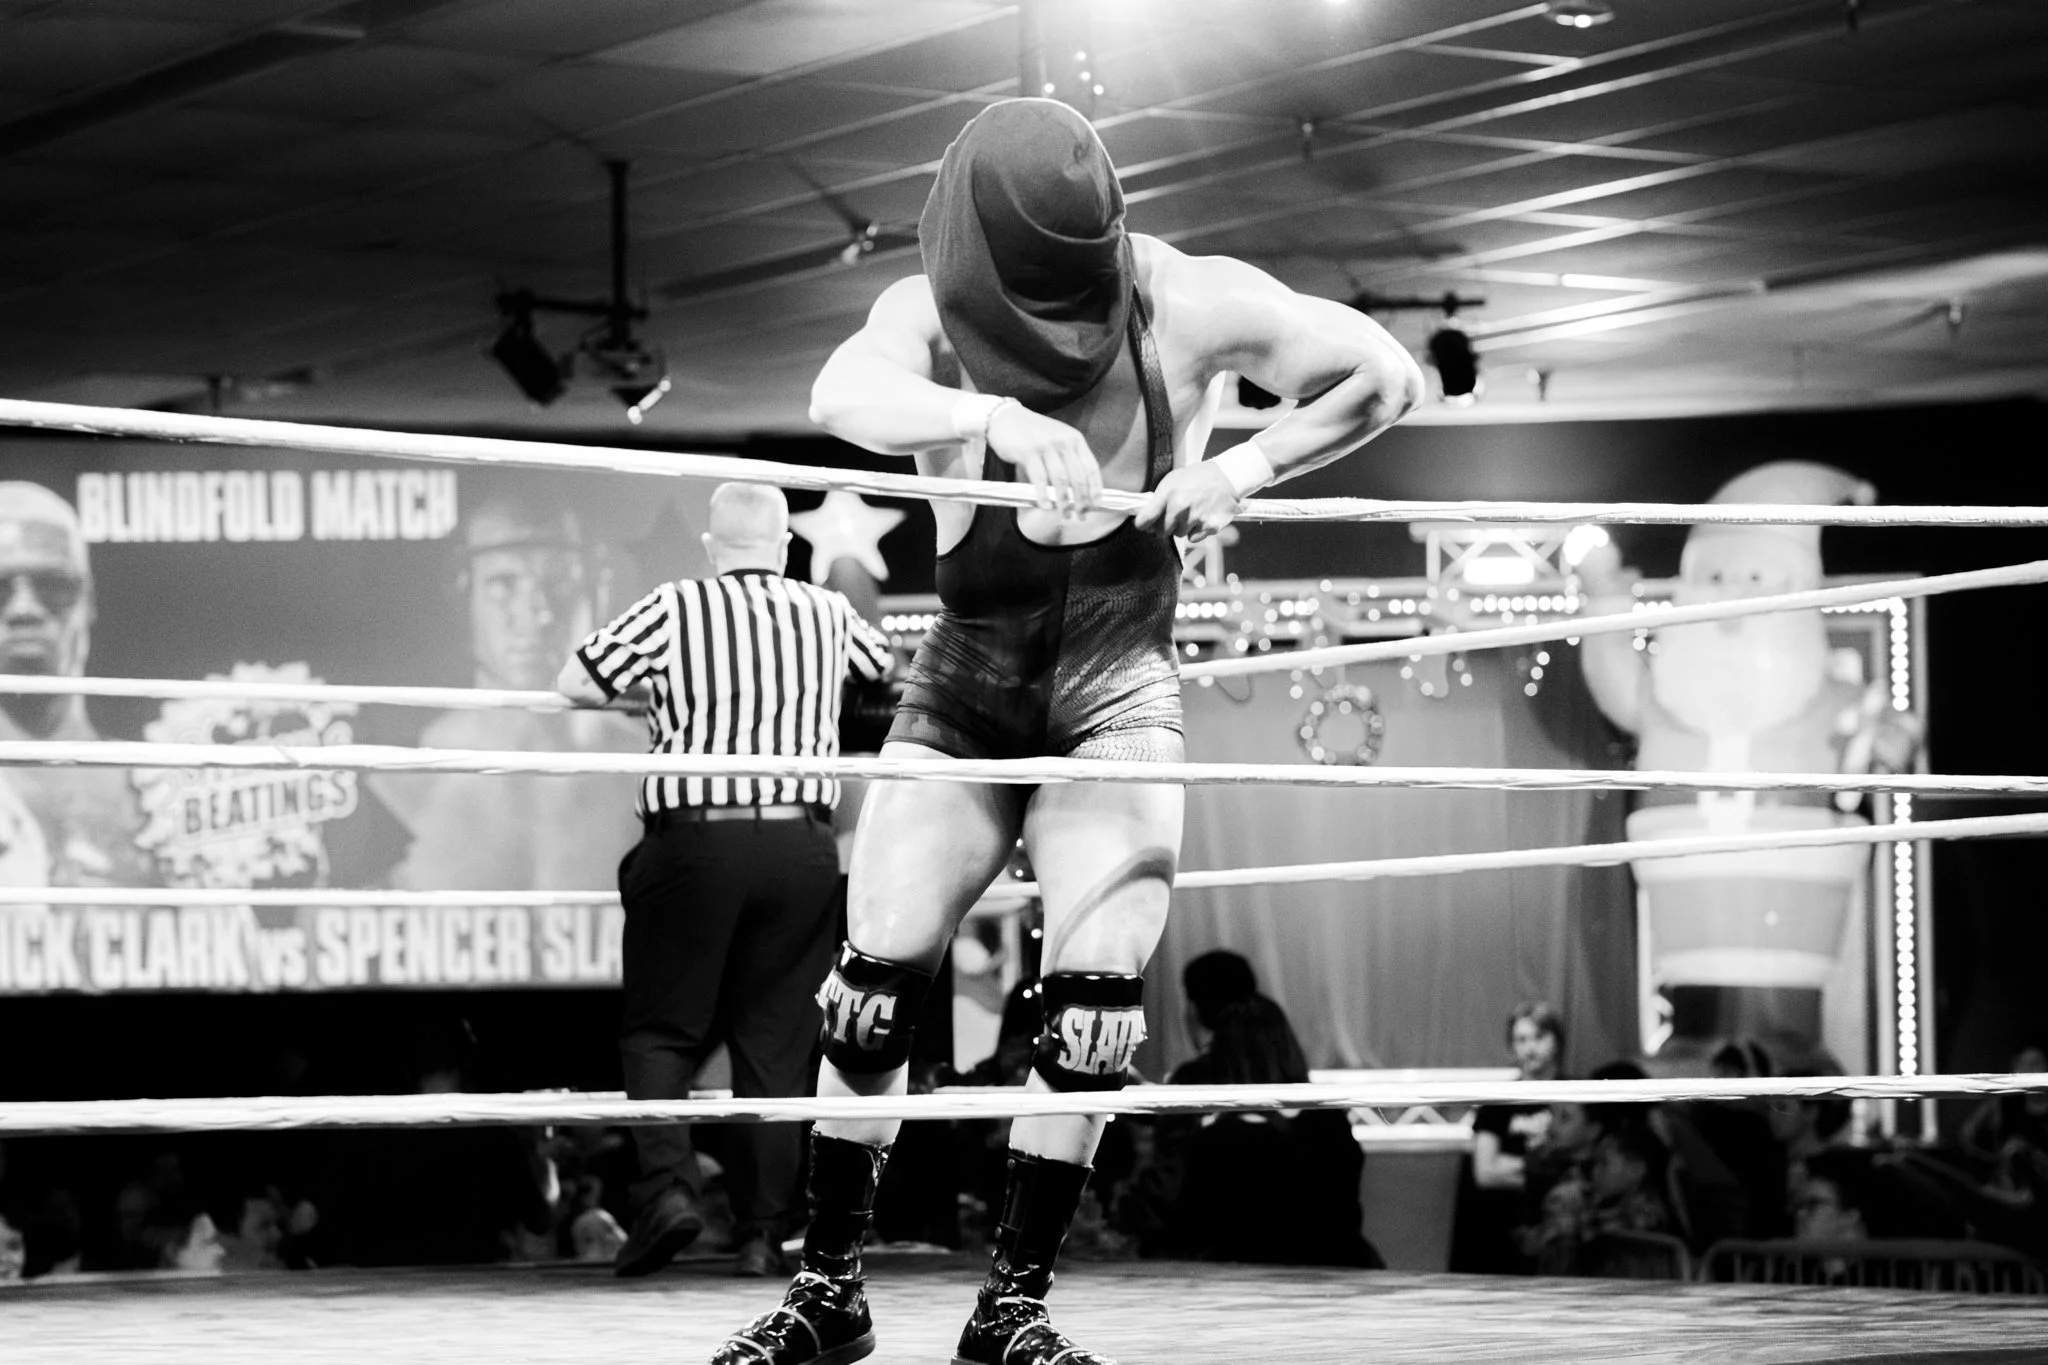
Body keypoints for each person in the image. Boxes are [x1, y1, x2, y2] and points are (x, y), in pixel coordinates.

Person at [714, 98, 1420, 1365]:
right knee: (870, 992)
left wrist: (1243, 468)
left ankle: (1012, 1309)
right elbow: (837, 390)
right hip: (967, 673)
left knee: (1093, 1008)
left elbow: (1384, 372)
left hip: (1115, 671)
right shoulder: (931, 318)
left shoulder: (1189, 302)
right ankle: (829, 1292)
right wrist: (984, 420)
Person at [558, 482, 892, 1280]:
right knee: (776, 1049)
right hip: (799, 848)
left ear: (712, 548)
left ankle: (669, 1194)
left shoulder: (675, 606)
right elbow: (884, 677)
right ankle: (762, 1233)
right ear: (784, 547)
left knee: (661, 1032)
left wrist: (664, 701)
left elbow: (575, 681)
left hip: (696, 841)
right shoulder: (826, 611)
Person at [372, 495, 644, 891]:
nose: (539, 614)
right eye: (504, 584)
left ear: (596, 591)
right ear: (463, 594)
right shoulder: (401, 777)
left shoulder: (655, 768)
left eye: (560, 583)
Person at [0, 481, 153, 887]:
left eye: (50, 586)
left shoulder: (158, 793)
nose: (23, 609)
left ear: (87, 599)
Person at [1451, 1002, 1564, 1275]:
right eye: (1521, 1039)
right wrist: (1543, 1173)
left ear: (1557, 1041)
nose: (1530, 1048)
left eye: (1539, 1037)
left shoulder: (1578, 1094)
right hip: (1501, 1233)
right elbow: (1486, 1172)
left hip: (1559, 1231)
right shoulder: (1499, 1100)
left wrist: (1510, 1164)